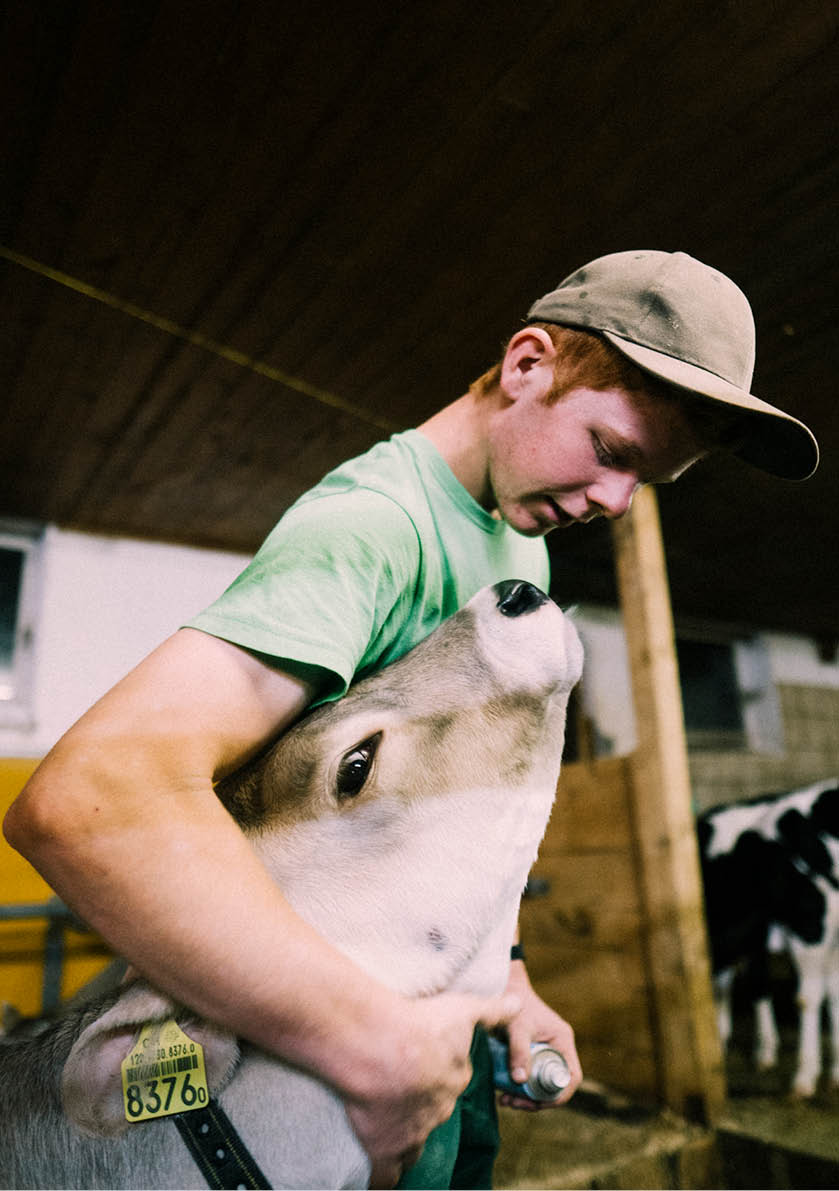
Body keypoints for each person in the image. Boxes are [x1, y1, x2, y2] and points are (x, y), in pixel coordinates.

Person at [3, 250, 818, 1188]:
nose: (615, 503)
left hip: (432, 1042)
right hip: (322, 1066)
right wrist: (372, 1045)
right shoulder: (370, 532)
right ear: (526, 366)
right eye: (609, 452)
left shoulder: (523, 543)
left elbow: (460, 806)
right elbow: (90, 797)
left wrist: (506, 981)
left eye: (645, 483)